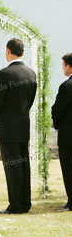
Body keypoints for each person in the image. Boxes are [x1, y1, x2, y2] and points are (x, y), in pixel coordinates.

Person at [0, 38, 37, 214]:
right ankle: (25, 202)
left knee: (12, 166)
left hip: (8, 127)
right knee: (24, 165)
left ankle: (16, 205)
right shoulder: (31, 73)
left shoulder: (4, 74)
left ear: (8, 51)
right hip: (23, 126)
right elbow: (30, 100)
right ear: (22, 52)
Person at [52, 53, 72, 212]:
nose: (63, 68)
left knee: (68, 167)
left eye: (63, 65)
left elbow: (57, 110)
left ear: (68, 66)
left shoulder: (66, 86)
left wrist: (56, 124)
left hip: (68, 135)